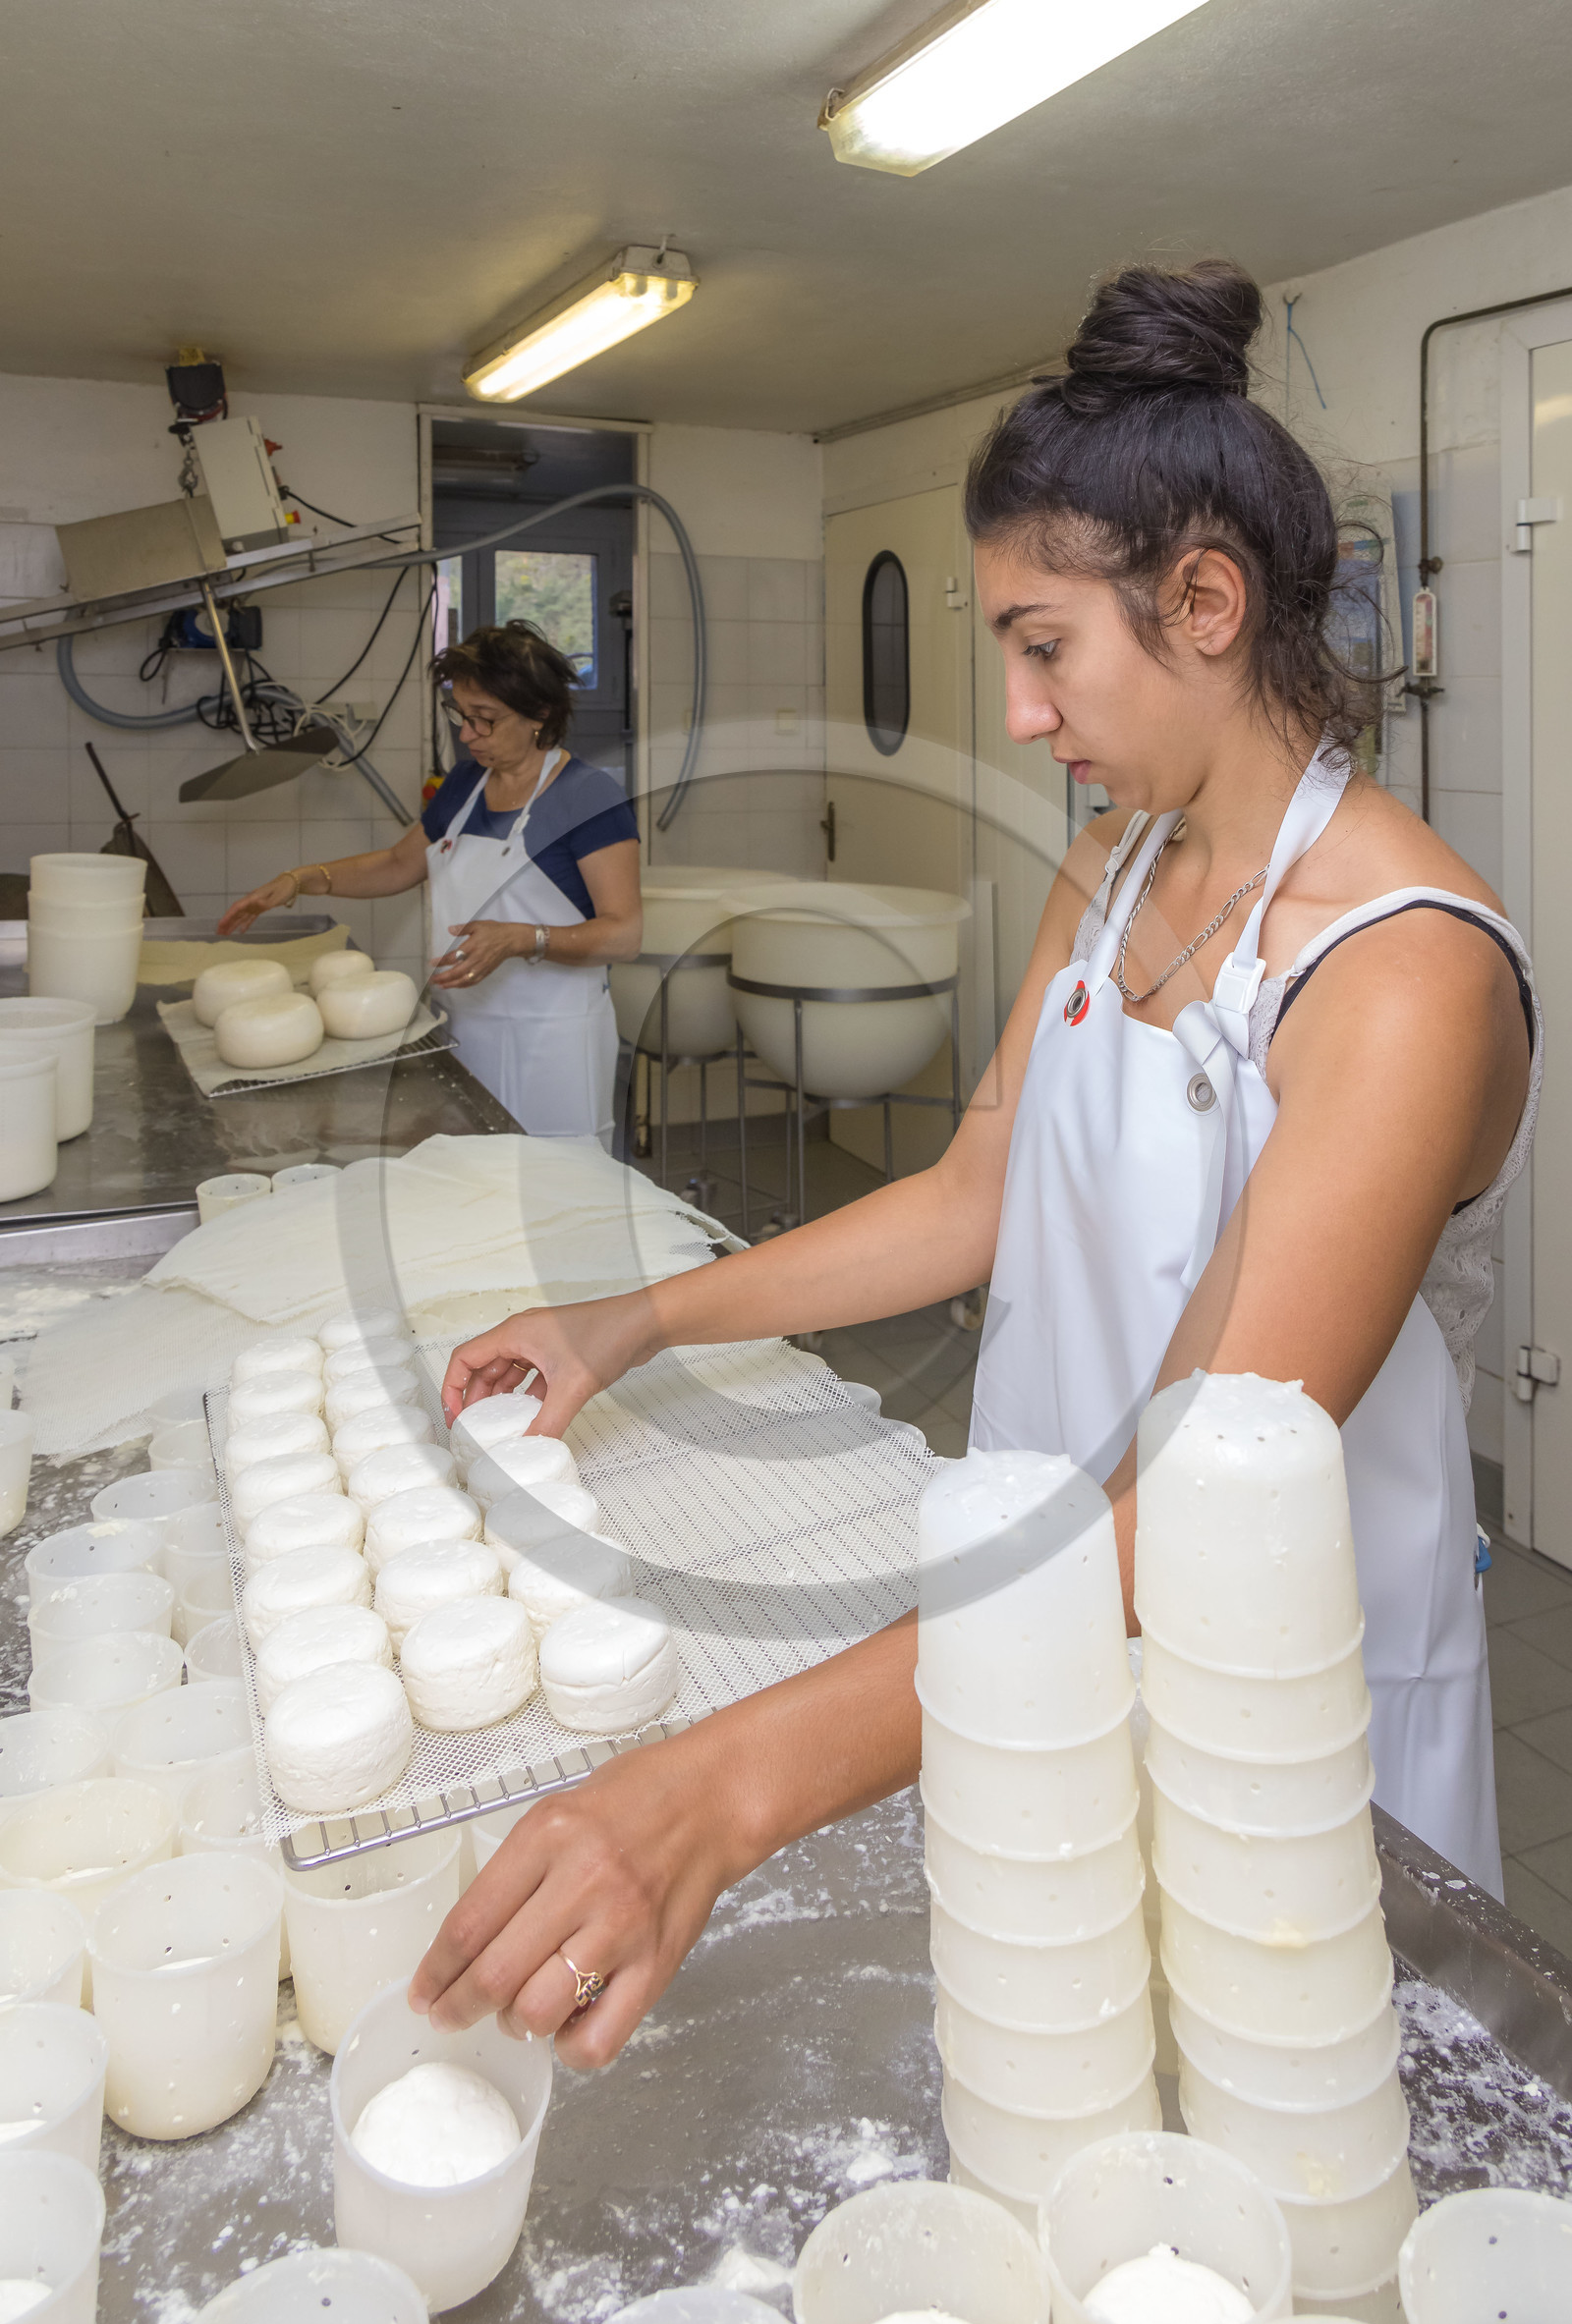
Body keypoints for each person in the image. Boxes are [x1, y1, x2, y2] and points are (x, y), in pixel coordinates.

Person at [410, 259, 1539, 2068]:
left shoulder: (1401, 970)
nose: (1020, 712)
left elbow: (1196, 1508)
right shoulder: (1110, 875)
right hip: (1031, 1640)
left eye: (1041, 647)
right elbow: (972, 1198)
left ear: (1207, 602)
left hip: (1286, 1720)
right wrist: (635, 1321)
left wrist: (721, 1786)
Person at [218, 620, 641, 1142]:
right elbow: (399, 864)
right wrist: (304, 879)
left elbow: (624, 934)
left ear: (541, 714)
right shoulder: (465, 784)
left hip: (553, 1046)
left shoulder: (587, 796)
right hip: (462, 1028)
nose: (466, 735)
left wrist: (525, 938)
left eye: (484, 720)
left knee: (551, 1196)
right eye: (461, 716)